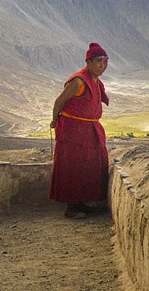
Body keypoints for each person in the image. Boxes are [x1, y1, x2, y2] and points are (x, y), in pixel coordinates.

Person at [49, 42, 111, 219]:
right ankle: (72, 207)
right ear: (89, 62)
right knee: (73, 166)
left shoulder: (95, 80)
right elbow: (59, 102)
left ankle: (82, 203)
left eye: (105, 62)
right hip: (73, 131)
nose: (103, 66)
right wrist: (54, 120)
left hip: (88, 129)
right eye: (99, 61)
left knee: (90, 165)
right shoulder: (79, 81)